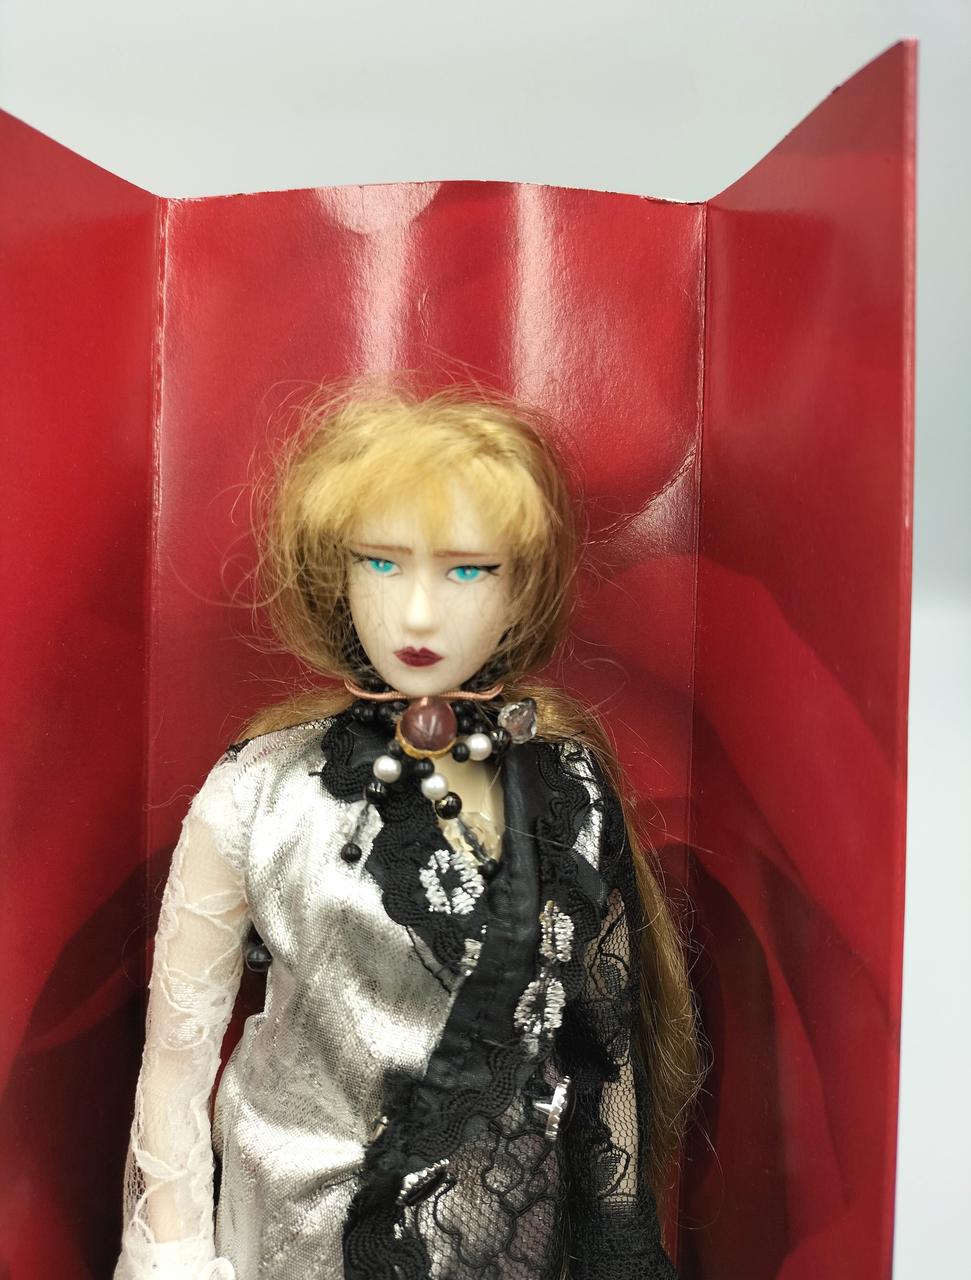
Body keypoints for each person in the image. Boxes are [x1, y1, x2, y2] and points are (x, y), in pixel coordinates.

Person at [114, 381, 702, 1280]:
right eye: (381, 564)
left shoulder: (567, 787)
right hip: (294, 1238)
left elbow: (603, 1050)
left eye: (467, 570)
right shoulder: (262, 791)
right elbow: (172, 1070)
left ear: (523, 590)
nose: (418, 614)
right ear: (335, 571)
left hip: (506, 1246)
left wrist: (615, 1247)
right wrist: (175, 1259)